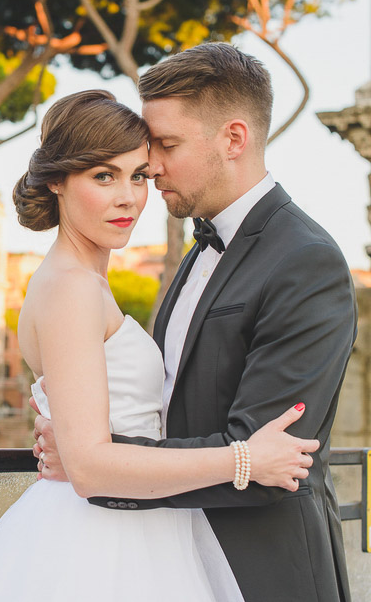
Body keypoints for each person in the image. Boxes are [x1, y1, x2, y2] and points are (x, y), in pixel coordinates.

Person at [0, 88, 319, 602]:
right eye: (104, 176)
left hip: (140, 524)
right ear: (57, 180)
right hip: (98, 541)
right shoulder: (71, 288)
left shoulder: (83, 281)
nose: (129, 197)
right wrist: (246, 460)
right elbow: (90, 467)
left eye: (139, 176)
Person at [34, 46, 358, 602]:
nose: (151, 165)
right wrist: (88, 440)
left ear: (234, 139)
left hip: (263, 567)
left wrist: (102, 462)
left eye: (167, 145)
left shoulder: (307, 260)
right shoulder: (199, 249)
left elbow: (270, 459)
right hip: (166, 557)